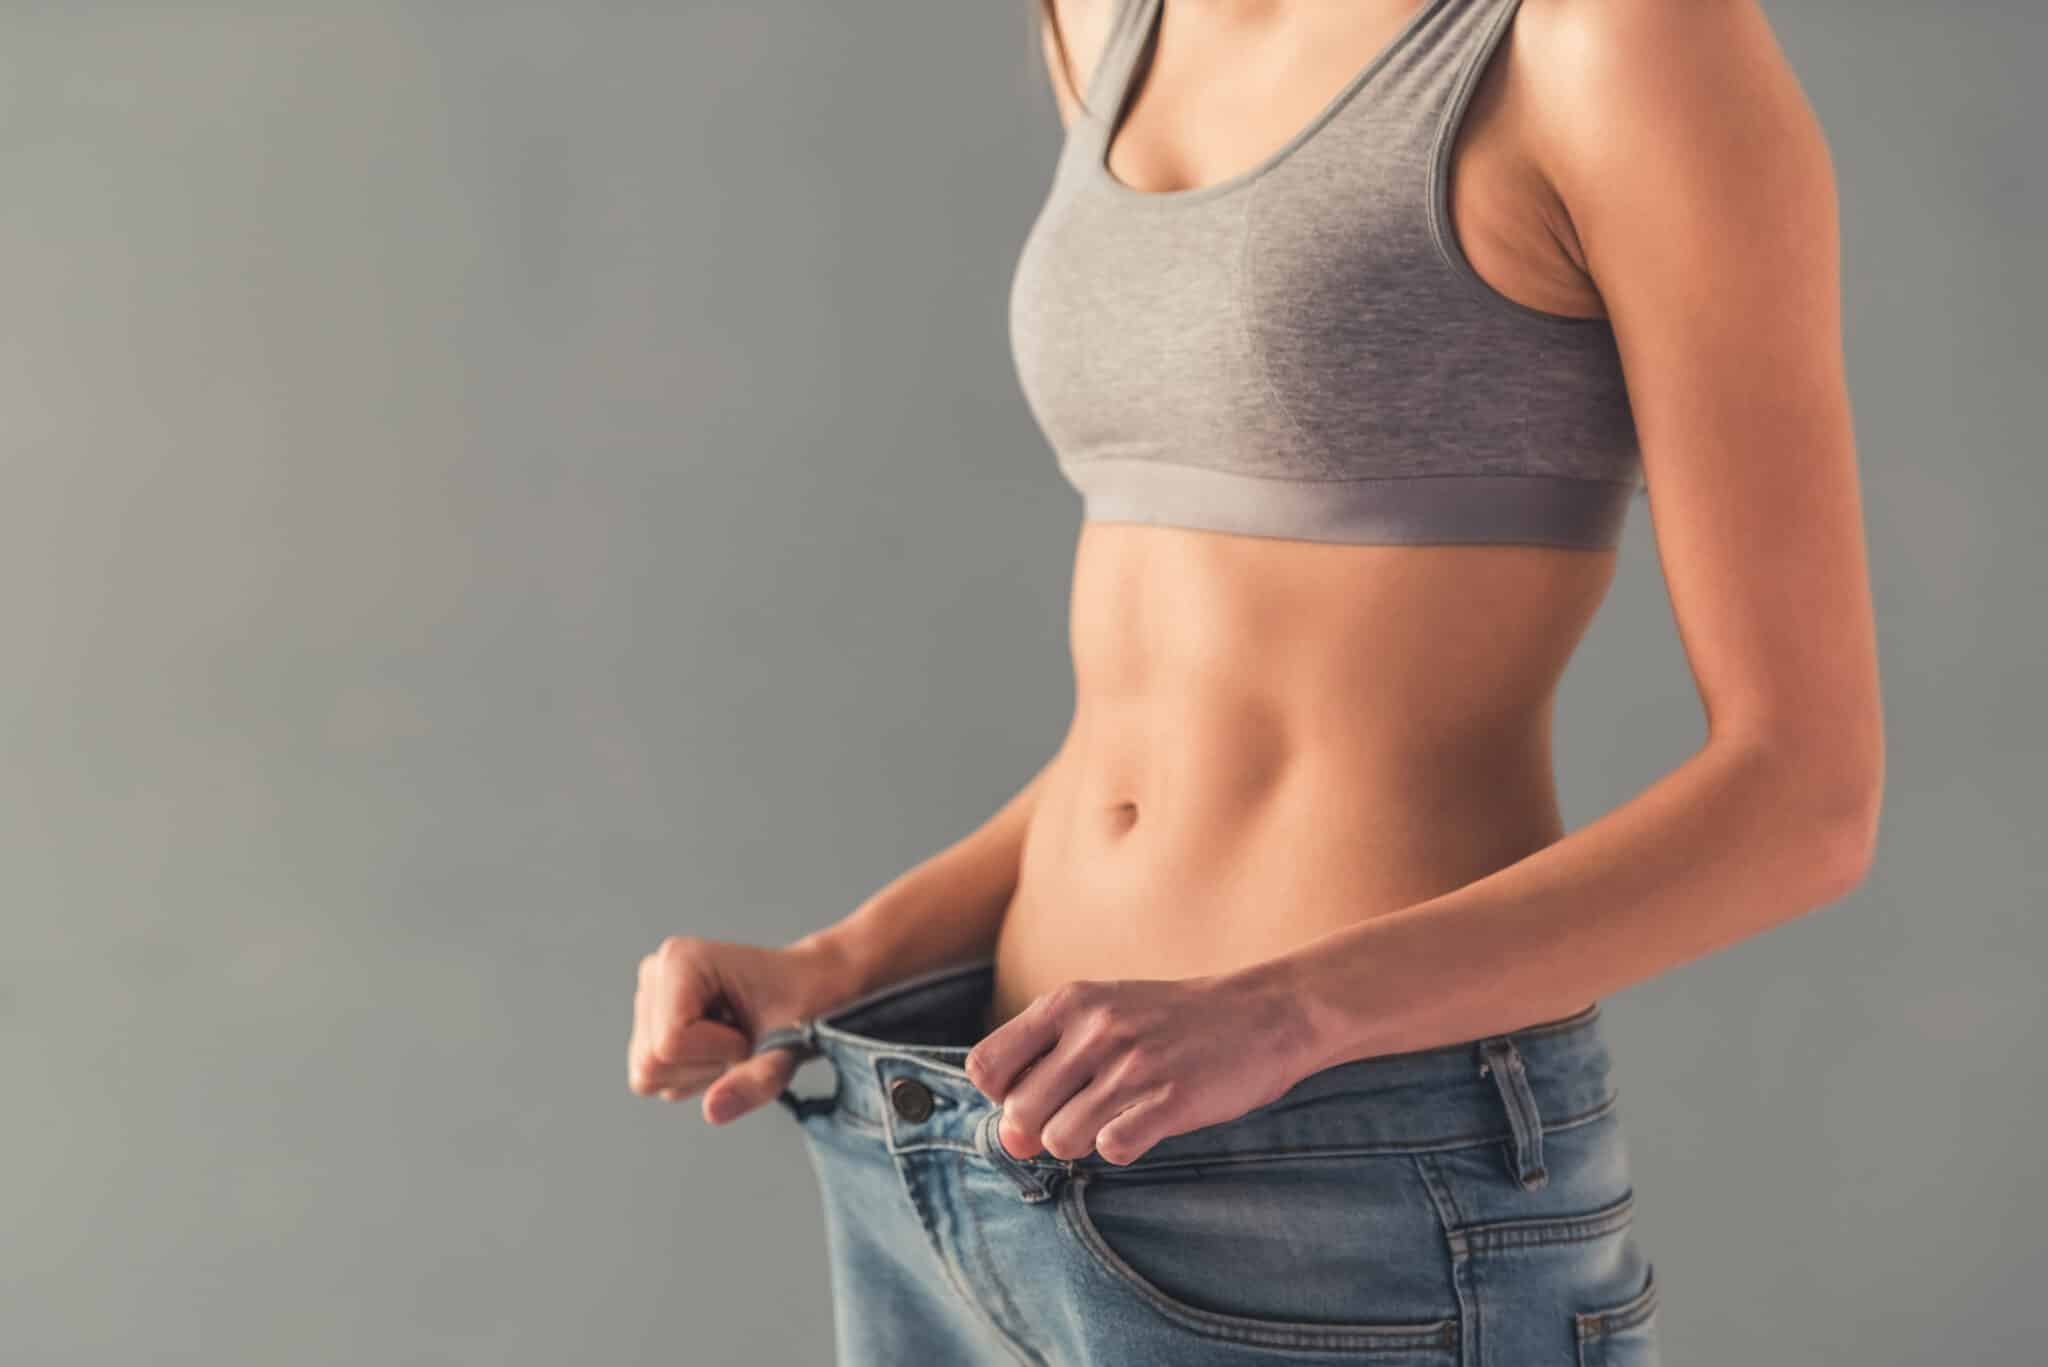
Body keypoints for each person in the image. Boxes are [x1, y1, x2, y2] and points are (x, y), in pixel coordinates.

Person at [628, 0, 1882, 1361]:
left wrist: (1285, 1014)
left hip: (1345, 1192)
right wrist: (844, 960)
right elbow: (1188, 728)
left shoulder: (1614, 37)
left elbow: (1804, 796)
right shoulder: (1101, 19)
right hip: (970, 1146)